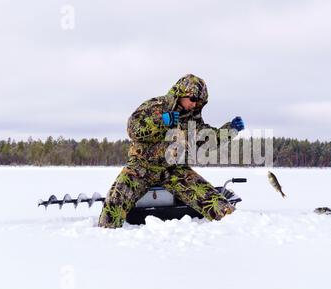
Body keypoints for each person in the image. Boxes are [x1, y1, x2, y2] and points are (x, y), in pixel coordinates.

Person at [98, 74, 245, 228]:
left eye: (199, 102)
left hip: (174, 169)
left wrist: (231, 129)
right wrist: (162, 121)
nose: (194, 105)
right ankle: (107, 239)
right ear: (181, 93)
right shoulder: (157, 105)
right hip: (141, 167)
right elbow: (133, 129)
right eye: (193, 99)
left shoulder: (192, 119)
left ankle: (237, 228)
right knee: (114, 205)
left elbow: (206, 139)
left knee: (216, 203)